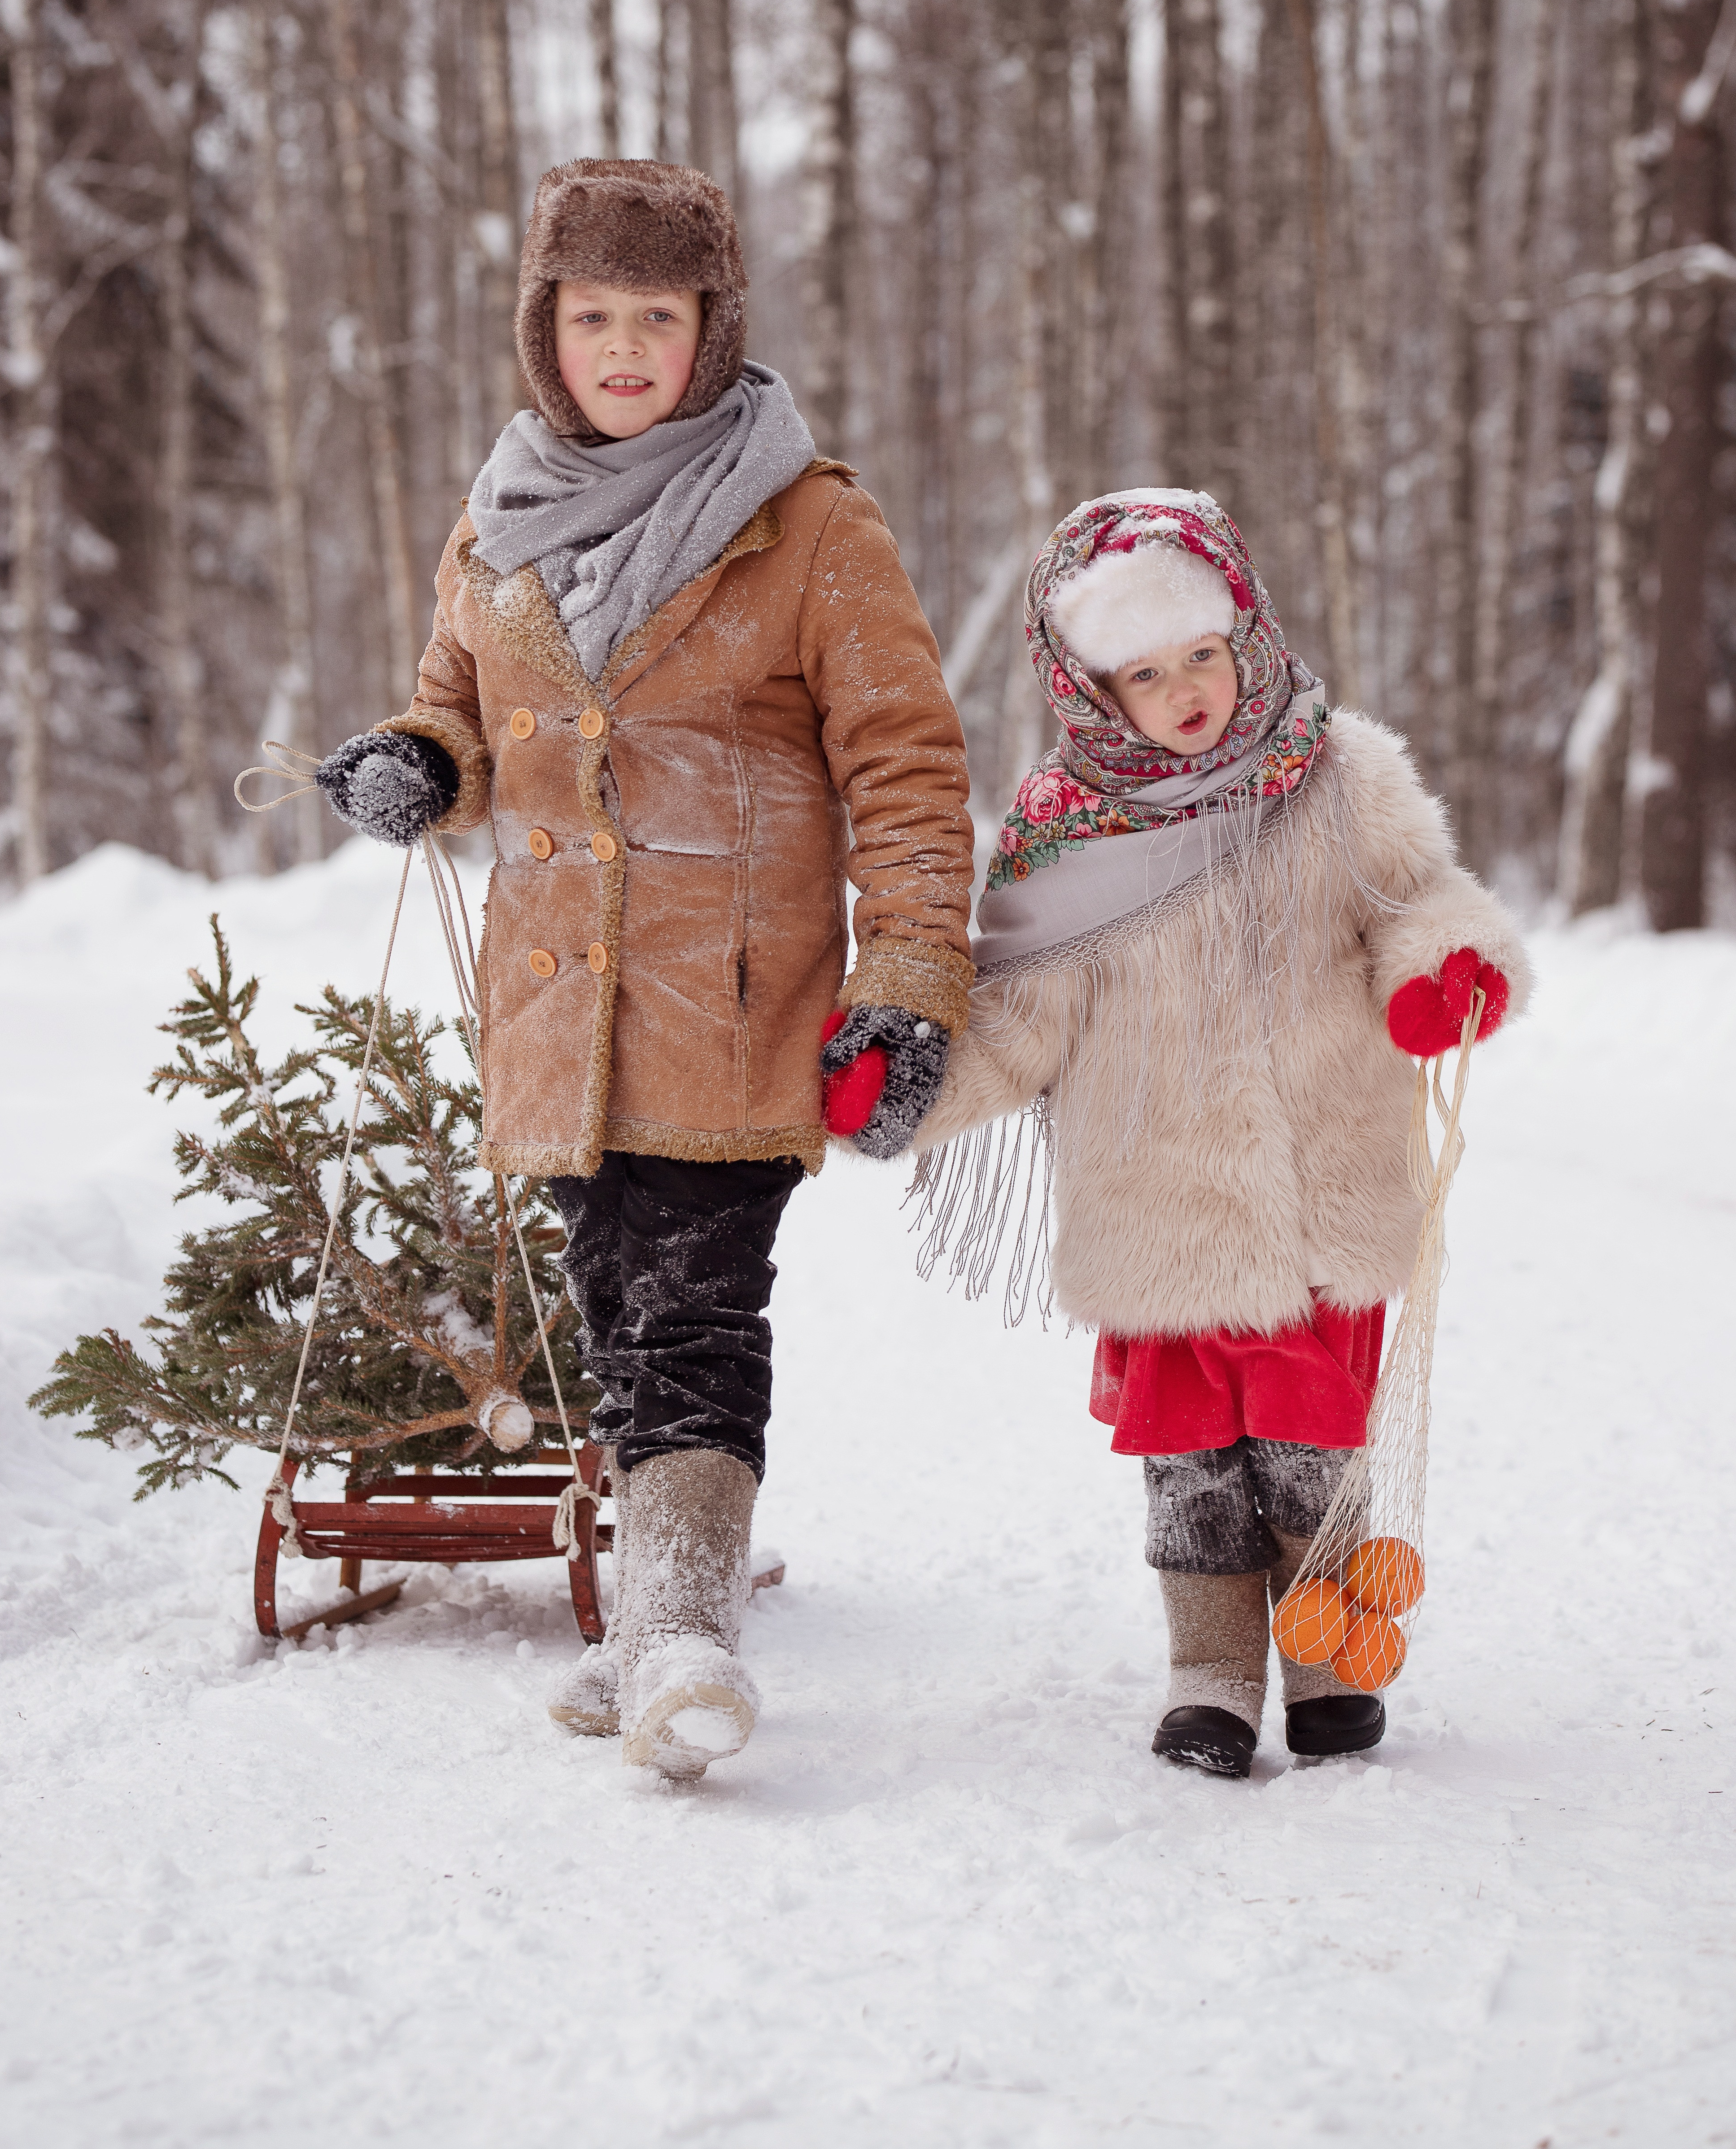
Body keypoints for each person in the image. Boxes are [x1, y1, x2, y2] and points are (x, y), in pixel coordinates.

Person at [314, 157, 973, 1778]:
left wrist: (909, 976)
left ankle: (680, 1629)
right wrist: (419, 760)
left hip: (732, 996)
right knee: (615, 1302)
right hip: (559, 1006)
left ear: (712, 326)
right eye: (592, 315)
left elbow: (904, 764)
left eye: (657, 317)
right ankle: (651, 1617)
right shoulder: (499, 518)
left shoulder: (809, 520)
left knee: (692, 1312)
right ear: (547, 332)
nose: (624, 348)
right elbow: (460, 706)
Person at [848, 488, 1530, 1780]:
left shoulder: (1340, 778)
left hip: (1321, 1189)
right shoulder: (1062, 836)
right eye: (1146, 674)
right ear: (1095, 688)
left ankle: (1331, 1667)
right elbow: (1020, 1022)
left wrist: (1447, 973)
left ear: (1248, 632)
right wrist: (909, 1090)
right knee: (1196, 1475)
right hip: (1156, 1205)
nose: (1188, 692)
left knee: (1311, 1450)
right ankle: (1210, 1677)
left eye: (1204, 655)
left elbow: (1423, 904)